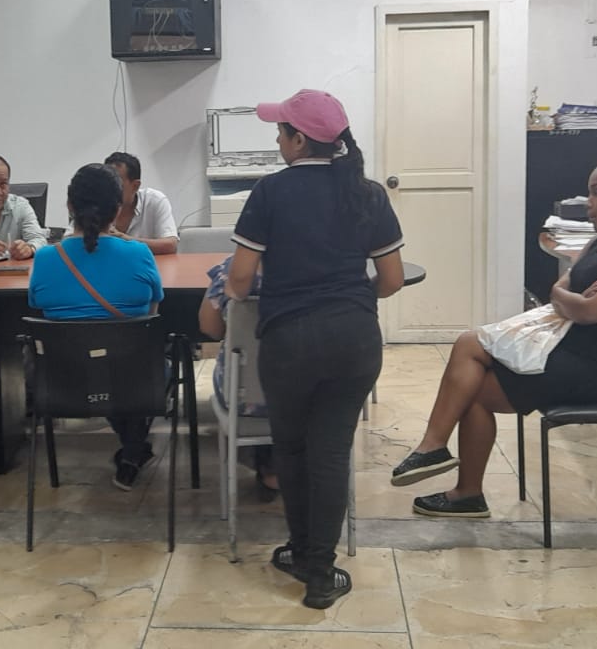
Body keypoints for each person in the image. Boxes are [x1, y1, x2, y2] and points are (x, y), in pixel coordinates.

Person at [390, 142, 597, 523]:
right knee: (469, 357)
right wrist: (567, 297)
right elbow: (562, 290)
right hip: (570, 351)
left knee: (473, 382)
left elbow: (590, 312)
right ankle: (448, 468)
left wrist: (568, 299)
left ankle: (451, 472)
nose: (588, 202)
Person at [229, 89, 405, 610]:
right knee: (331, 451)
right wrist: (351, 300)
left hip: (289, 344)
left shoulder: (269, 192)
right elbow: (392, 279)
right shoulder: (368, 193)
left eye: (280, 132)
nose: (277, 140)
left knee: (291, 449)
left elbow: (239, 279)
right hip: (355, 341)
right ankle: (321, 574)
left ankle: (302, 552)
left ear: (299, 140)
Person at [28, 164, 164, 491]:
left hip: (64, 383)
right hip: (135, 382)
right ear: (117, 210)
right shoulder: (139, 254)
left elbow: (38, 306)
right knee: (132, 358)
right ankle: (133, 450)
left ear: (69, 206)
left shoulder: (45, 258)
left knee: (100, 359)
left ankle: (133, 450)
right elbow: (152, 315)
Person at [198, 255, 275, 499]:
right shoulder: (325, 267)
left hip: (245, 398)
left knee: (250, 376)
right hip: (313, 396)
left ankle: (268, 465)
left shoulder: (231, 271)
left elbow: (210, 329)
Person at [104, 152, 179, 255]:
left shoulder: (154, 200)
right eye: (106, 183)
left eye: (116, 184)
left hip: (146, 263)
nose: (109, 190)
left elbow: (170, 245)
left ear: (135, 186)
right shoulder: (96, 202)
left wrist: (125, 239)